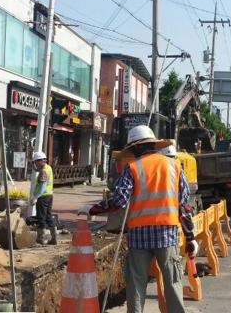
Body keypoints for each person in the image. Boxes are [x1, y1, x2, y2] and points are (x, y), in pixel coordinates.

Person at [80, 126, 197, 313]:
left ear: (134, 148)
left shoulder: (132, 168)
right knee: (173, 282)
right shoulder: (174, 166)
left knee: (136, 283)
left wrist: (92, 208)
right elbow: (184, 206)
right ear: (153, 144)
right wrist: (190, 237)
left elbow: (118, 201)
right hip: (167, 235)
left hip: (139, 236)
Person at [30, 151, 57, 245]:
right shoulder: (48, 167)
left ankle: (41, 238)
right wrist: (32, 164)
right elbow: (37, 170)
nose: (35, 164)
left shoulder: (43, 171)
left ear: (39, 161)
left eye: (35, 162)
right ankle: (54, 238)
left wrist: (35, 197)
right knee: (49, 217)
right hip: (50, 196)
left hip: (43, 197)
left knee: (41, 217)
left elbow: (42, 186)